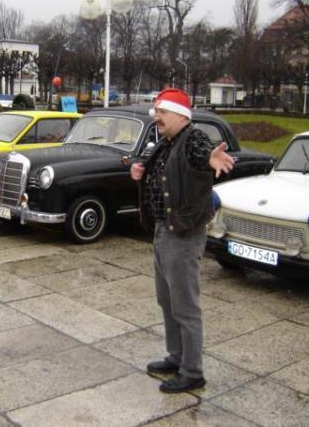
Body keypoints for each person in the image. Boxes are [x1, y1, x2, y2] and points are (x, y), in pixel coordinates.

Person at [130, 88, 234, 393]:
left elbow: (202, 154)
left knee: (185, 306)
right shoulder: (167, 142)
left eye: (161, 112)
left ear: (180, 114)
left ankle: (192, 371)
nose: (156, 118)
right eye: (156, 112)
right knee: (167, 300)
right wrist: (139, 170)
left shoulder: (193, 138)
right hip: (163, 231)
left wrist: (211, 157)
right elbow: (161, 174)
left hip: (183, 235)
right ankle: (176, 356)